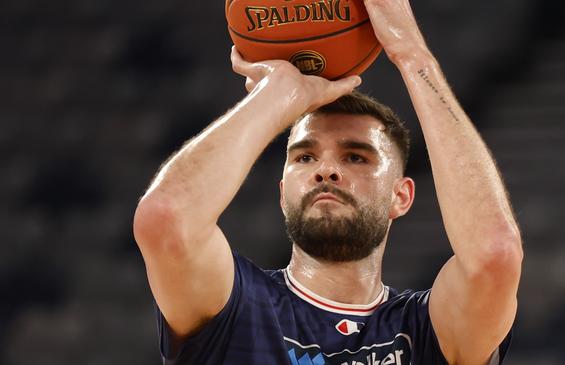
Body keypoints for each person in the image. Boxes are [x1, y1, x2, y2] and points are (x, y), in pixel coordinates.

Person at [133, 1, 523, 364]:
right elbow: (166, 219)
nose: (326, 170)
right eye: (305, 157)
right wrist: (278, 94)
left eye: (356, 156)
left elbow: (494, 256)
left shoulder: (423, 332)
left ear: (400, 196)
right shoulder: (237, 306)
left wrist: (412, 57)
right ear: (283, 193)